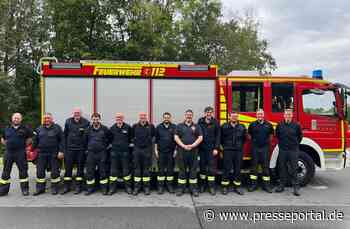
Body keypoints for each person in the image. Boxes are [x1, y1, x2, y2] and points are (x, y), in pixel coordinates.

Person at [0, 113, 33, 196]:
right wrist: (8, 145)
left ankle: (25, 190)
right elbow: (3, 139)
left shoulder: (26, 128)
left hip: (20, 152)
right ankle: (3, 190)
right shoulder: (7, 128)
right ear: (12, 119)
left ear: (21, 119)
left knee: (23, 171)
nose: (16, 119)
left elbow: (30, 138)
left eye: (18, 118)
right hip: (9, 152)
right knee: (6, 172)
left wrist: (24, 145)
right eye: (15, 118)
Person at [33, 113, 65, 196]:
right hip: (41, 153)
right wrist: (32, 151)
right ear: (43, 119)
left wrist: (61, 151)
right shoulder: (39, 128)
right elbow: (35, 141)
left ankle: (54, 188)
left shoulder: (57, 128)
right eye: (45, 118)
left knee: (54, 172)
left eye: (48, 118)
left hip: (54, 153)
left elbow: (62, 140)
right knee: (40, 172)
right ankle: (40, 189)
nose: (47, 120)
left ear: (52, 119)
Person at [174, 109, 203, 197]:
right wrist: (183, 146)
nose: (189, 116)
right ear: (185, 115)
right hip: (182, 151)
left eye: (190, 115)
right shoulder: (179, 126)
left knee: (193, 171)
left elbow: (200, 137)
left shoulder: (196, 126)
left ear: (192, 116)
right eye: (187, 115)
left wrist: (193, 145)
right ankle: (181, 189)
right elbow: (176, 137)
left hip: (193, 152)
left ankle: (193, 189)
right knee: (182, 171)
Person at [61, 108, 90, 195]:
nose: (76, 114)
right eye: (75, 113)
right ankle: (66, 187)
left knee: (80, 169)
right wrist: (64, 149)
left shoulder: (86, 122)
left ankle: (78, 187)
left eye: (78, 113)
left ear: (81, 114)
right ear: (73, 114)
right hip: (69, 150)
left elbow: (87, 137)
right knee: (68, 169)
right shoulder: (68, 121)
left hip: (81, 150)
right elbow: (64, 135)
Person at [275, 109, 303, 196]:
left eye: (289, 114)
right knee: (282, 168)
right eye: (286, 114)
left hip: (293, 150)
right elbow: (277, 135)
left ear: (292, 116)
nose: (288, 116)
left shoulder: (296, 125)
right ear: (284, 115)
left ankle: (296, 188)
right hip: (283, 150)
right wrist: (281, 145)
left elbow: (300, 136)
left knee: (294, 168)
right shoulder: (279, 125)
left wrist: (295, 144)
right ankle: (281, 186)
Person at [247, 109, 274, 193]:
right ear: (256, 115)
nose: (260, 116)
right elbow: (249, 135)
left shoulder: (269, 125)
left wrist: (266, 142)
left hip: (265, 148)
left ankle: (266, 186)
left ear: (263, 115)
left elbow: (271, 135)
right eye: (258, 114)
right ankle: (253, 185)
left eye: (261, 114)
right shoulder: (252, 124)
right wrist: (254, 142)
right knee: (253, 167)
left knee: (265, 167)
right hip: (255, 148)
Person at [85, 113, 111, 195]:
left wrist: (104, 148)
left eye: (97, 119)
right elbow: (85, 141)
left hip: (102, 153)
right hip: (91, 153)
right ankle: (90, 189)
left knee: (103, 171)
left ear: (99, 119)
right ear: (92, 120)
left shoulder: (105, 129)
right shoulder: (88, 129)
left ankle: (104, 189)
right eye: (94, 119)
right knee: (90, 172)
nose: (95, 121)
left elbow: (109, 139)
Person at [220, 112, 246, 195]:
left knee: (237, 169)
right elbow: (220, 138)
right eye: (232, 116)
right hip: (227, 150)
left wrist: (240, 146)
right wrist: (224, 147)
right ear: (229, 117)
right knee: (226, 168)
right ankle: (224, 187)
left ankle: (237, 187)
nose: (234, 118)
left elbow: (244, 139)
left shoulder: (242, 127)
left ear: (238, 117)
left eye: (236, 116)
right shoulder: (224, 126)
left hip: (238, 151)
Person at [197, 106, 220, 195]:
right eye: (207, 112)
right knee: (202, 168)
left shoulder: (216, 122)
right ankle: (202, 186)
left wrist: (216, 148)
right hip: (202, 149)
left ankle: (211, 187)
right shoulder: (200, 121)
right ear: (205, 113)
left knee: (211, 169)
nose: (208, 113)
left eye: (210, 112)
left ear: (212, 113)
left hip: (211, 149)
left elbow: (218, 136)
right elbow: (197, 134)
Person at [131, 112, 155, 196]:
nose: (143, 118)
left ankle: (146, 188)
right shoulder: (134, 126)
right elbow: (131, 137)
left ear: (146, 117)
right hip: (137, 150)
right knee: (137, 169)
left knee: (146, 170)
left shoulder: (151, 126)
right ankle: (136, 188)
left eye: (144, 116)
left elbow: (153, 137)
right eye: (141, 116)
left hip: (147, 150)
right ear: (139, 117)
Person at [109, 113, 133, 195]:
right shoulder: (112, 128)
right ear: (116, 119)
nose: (119, 119)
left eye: (120, 117)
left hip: (125, 153)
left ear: (123, 118)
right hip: (114, 153)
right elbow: (109, 140)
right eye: (117, 118)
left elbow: (131, 139)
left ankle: (128, 187)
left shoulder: (128, 127)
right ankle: (112, 188)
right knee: (113, 172)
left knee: (126, 171)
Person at [155, 112, 177, 194]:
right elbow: (156, 141)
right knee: (160, 170)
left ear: (170, 118)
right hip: (161, 152)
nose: (166, 118)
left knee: (170, 170)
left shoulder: (174, 127)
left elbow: (177, 140)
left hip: (171, 152)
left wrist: (176, 150)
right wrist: (156, 150)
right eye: (165, 117)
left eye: (168, 117)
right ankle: (160, 187)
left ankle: (169, 186)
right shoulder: (158, 127)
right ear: (163, 118)